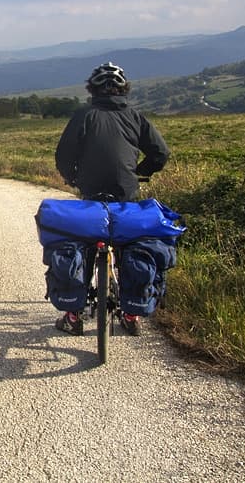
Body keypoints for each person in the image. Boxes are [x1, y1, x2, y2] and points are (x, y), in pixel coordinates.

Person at [53, 62, 170, 336]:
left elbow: (63, 155)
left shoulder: (84, 115)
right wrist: (140, 172)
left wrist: (72, 177)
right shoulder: (135, 116)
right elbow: (160, 154)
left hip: (91, 191)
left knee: (85, 244)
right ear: (123, 89)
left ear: (92, 89)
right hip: (125, 192)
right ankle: (131, 314)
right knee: (128, 244)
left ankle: (73, 314)